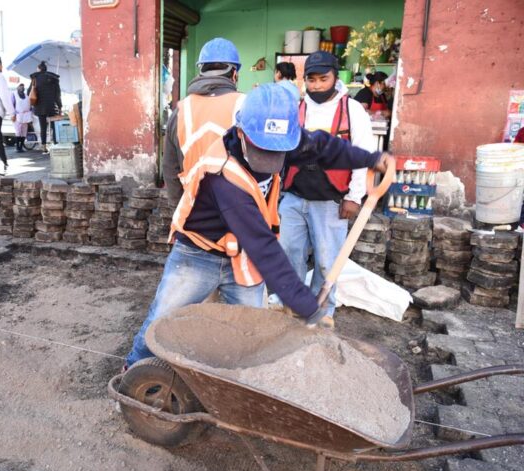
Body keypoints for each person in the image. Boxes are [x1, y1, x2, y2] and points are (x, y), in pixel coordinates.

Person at [125, 84, 394, 368]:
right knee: (163, 317)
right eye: (262, 151)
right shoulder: (222, 176)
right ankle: (134, 369)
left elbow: (322, 146)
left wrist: (371, 159)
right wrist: (305, 304)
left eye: (278, 152)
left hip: (241, 255)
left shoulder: (282, 140)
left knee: (250, 331)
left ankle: (232, 381)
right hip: (198, 254)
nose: (270, 161)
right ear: (241, 133)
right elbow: (264, 248)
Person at [277, 51, 376, 328]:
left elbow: (363, 155)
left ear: (335, 77)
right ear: (304, 80)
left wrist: (354, 197)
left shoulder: (352, 110)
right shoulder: (297, 108)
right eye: (312, 79)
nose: (317, 85)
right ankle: (293, 306)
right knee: (289, 253)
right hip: (294, 196)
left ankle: (323, 311)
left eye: (324, 79)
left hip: (331, 199)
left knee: (327, 262)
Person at [162, 37, 244, 207]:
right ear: (234, 74)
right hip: (240, 213)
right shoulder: (246, 106)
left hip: (194, 211)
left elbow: (170, 169)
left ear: (200, 71)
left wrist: (180, 210)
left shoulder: (181, 110)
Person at [28, 62, 62, 154]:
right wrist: (59, 106)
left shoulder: (35, 78)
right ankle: (56, 143)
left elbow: (29, 93)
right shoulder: (54, 78)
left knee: (43, 127)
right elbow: (58, 94)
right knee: (54, 126)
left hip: (40, 106)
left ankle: (43, 146)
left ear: (39, 69)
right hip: (52, 106)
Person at [11, 83, 34, 153]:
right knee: (18, 132)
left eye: (23, 86)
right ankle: (18, 147)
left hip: (26, 116)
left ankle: (21, 147)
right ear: (17, 87)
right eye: (20, 86)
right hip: (18, 116)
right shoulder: (14, 95)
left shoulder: (26, 96)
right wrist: (13, 115)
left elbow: (30, 106)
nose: (22, 88)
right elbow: (12, 105)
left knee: (24, 132)